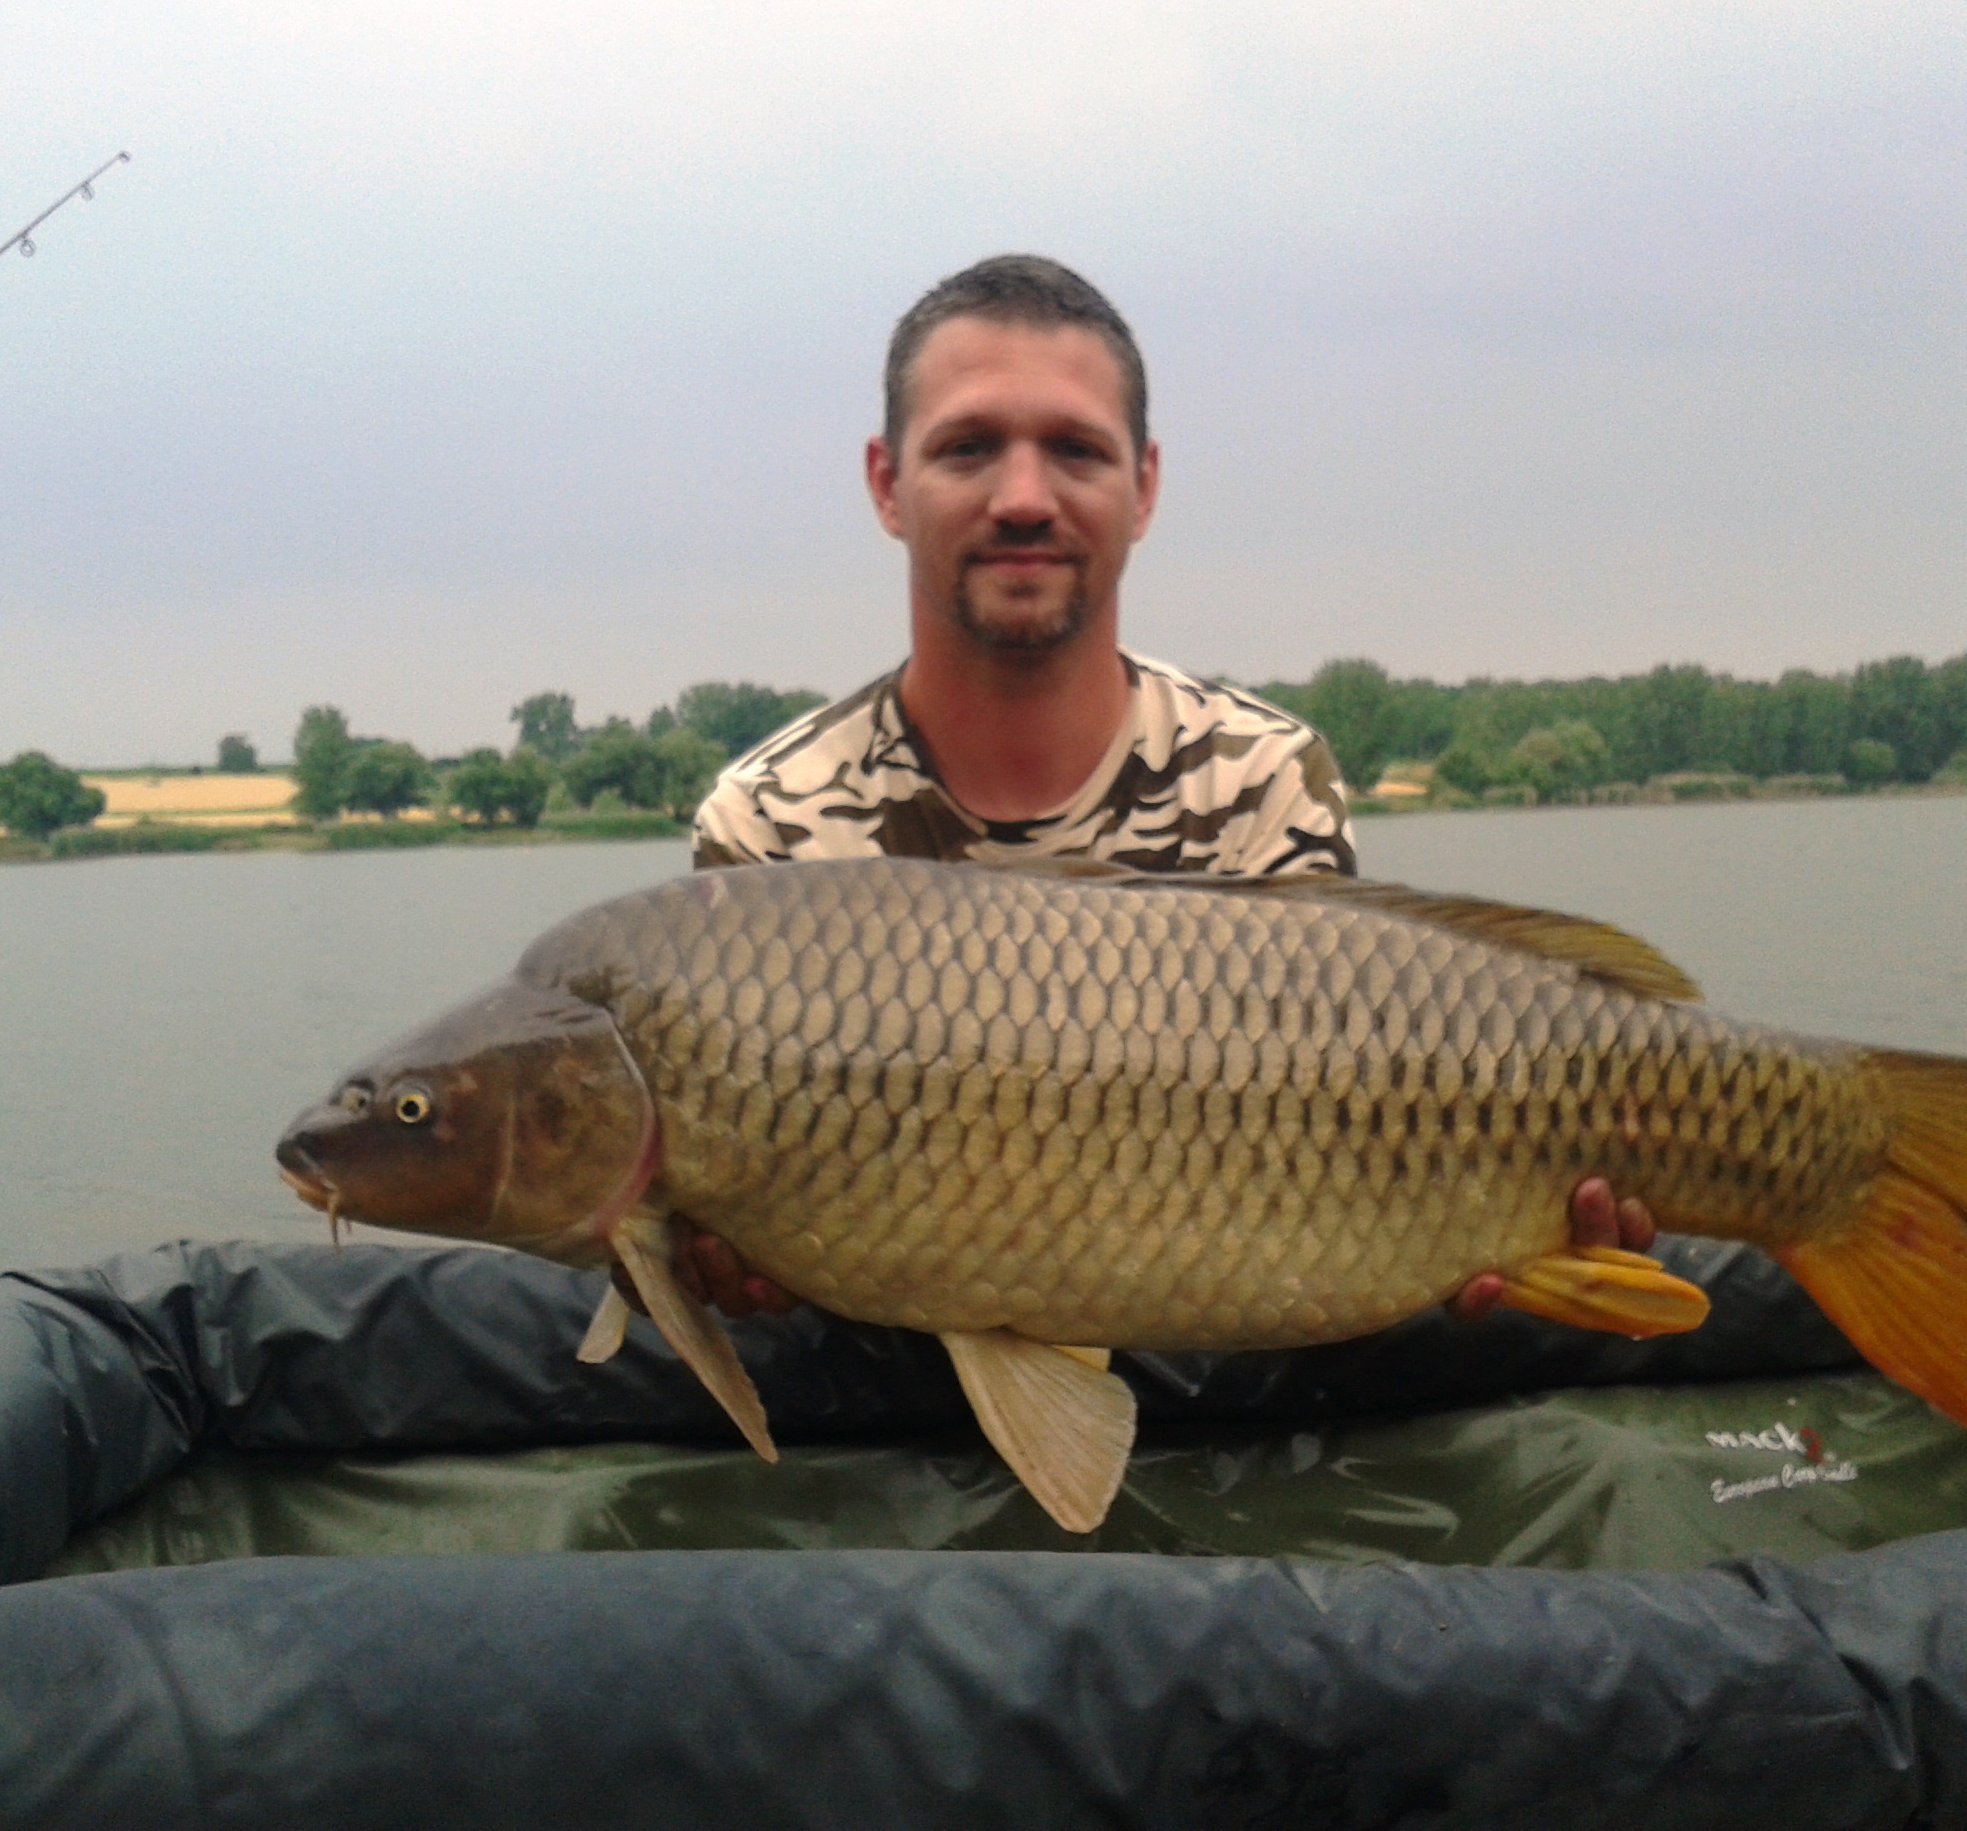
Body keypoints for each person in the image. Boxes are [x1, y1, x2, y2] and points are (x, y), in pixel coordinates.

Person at [683, 253, 1652, 1316]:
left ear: (1140, 488)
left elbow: (1351, 1125)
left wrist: (1513, 1238)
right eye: (966, 449)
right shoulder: (768, 822)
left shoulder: (1260, 778)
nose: (1021, 498)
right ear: (886, 485)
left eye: (1073, 451)